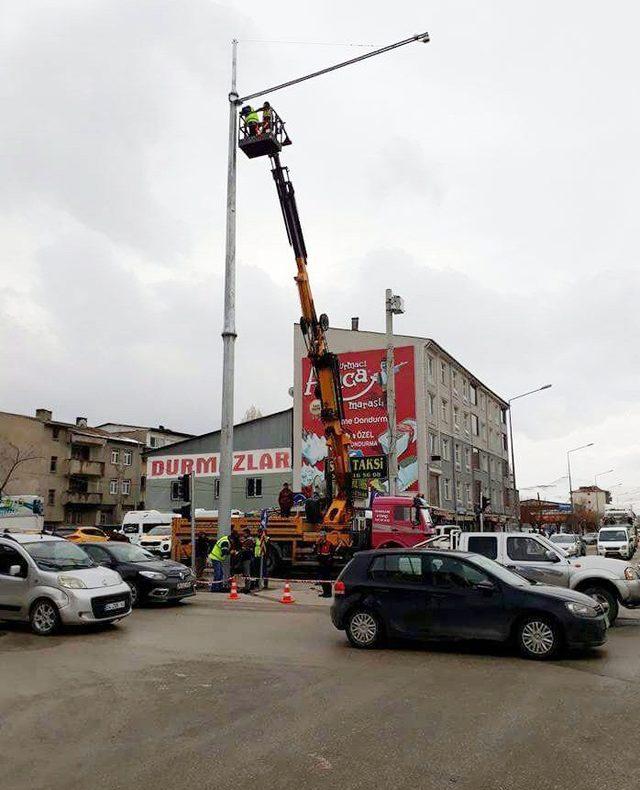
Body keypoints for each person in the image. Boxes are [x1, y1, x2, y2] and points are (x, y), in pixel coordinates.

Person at [315, 530, 334, 598]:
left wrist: (328, 561)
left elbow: (332, 554)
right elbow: (316, 552)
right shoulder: (319, 544)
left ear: (325, 537)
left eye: (322, 536)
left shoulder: (329, 544)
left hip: (327, 564)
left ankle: (329, 593)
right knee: (323, 579)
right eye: (320, 536)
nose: (321, 538)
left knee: (327, 579)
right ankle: (325, 592)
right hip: (321, 563)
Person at [254, 525, 270, 589]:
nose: (258, 533)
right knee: (257, 571)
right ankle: (257, 583)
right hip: (257, 556)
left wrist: (263, 537)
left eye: (260, 532)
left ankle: (265, 584)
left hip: (263, 556)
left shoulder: (266, 539)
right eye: (258, 532)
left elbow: (267, 547)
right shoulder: (256, 539)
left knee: (264, 571)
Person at [240, 527, 255, 594]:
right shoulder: (246, 540)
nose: (243, 534)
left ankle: (247, 588)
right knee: (245, 573)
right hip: (245, 558)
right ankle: (247, 586)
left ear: (247, 533)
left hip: (247, 558)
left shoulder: (249, 540)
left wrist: (242, 548)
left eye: (244, 533)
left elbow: (246, 549)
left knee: (247, 573)